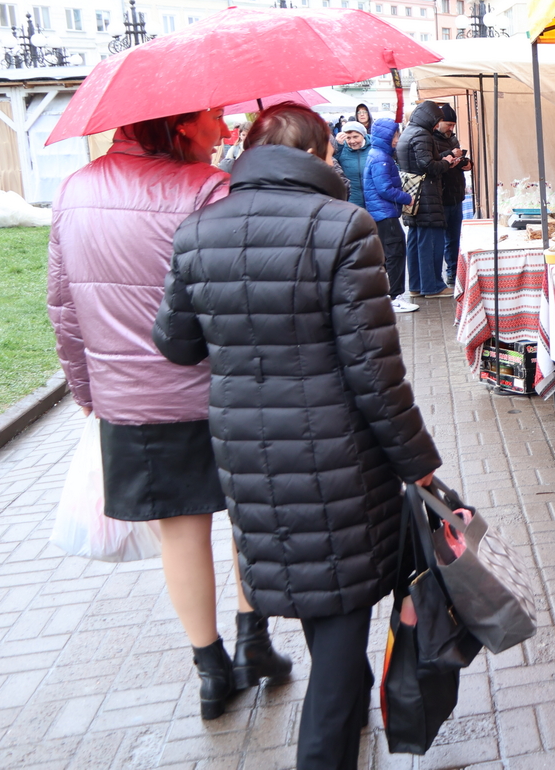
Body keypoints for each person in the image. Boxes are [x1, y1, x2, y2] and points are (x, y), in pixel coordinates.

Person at [152, 103, 441, 770]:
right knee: (337, 643)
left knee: (324, 607)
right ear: (316, 155)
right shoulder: (344, 227)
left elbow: (175, 343)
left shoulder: (198, 230)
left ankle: (350, 711)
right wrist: (418, 464)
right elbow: (375, 372)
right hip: (336, 461)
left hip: (249, 456)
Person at [47, 109, 291, 721]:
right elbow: (246, 293)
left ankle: (211, 672)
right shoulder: (208, 189)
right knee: (246, 518)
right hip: (221, 389)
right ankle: (253, 641)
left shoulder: (75, 190)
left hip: (130, 402)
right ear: (182, 126)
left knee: (180, 532)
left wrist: (87, 392)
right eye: (214, 117)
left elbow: (63, 304)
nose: (225, 127)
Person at [397, 99, 460, 298]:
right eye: (437, 121)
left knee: (416, 240)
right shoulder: (422, 134)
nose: (436, 125)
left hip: (413, 192)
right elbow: (428, 165)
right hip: (427, 194)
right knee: (430, 241)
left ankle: (416, 285)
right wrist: (446, 162)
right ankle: (433, 286)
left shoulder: (408, 131)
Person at [365, 117, 419, 314]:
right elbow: (385, 189)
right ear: (387, 136)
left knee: (389, 253)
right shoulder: (381, 158)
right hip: (384, 212)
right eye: (395, 134)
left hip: (381, 212)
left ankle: (388, 295)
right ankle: (395, 297)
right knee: (395, 252)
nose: (397, 138)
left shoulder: (378, 154)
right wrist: (407, 198)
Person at [433, 103, 472, 288]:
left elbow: (460, 160)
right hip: (442, 195)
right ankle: (447, 273)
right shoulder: (431, 139)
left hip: (456, 194)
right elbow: (432, 162)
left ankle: (454, 272)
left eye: (453, 125)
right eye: (448, 124)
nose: (451, 128)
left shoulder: (453, 139)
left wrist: (467, 163)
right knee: (445, 238)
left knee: (455, 237)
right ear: (439, 122)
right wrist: (449, 154)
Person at [332, 120, 371, 208]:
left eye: (355, 137)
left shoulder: (373, 147)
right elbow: (332, 166)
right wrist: (337, 147)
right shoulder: (341, 149)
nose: (352, 141)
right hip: (352, 200)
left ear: (363, 135)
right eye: (348, 138)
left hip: (373, 199)